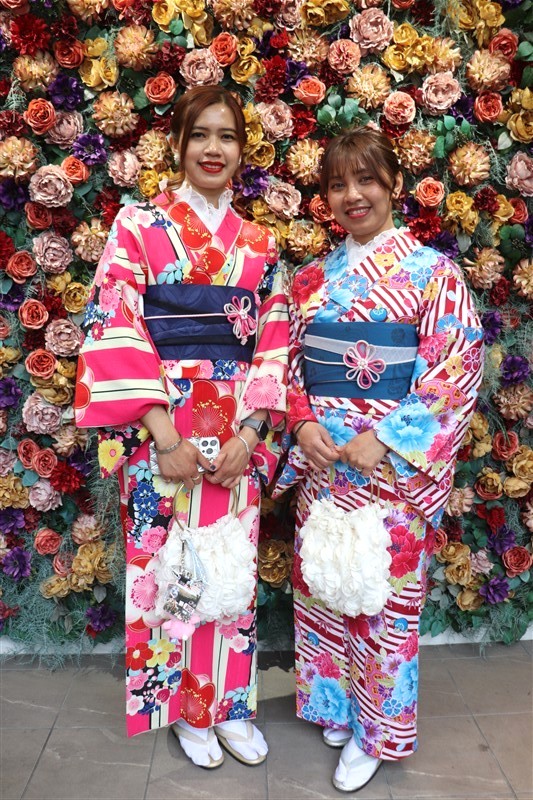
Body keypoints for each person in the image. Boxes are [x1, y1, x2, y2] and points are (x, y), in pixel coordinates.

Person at [74, 86, 289, 768]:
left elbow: (274, 342)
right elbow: (115, 322)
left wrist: (250, 435)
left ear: (242, 152)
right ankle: (185, 709)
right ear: (177, 144)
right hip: (159, 424)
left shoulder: (261, 245)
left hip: (235, 428)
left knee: (229, 564)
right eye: (200, 134)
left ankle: (229, 704)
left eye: (227, 136)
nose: (213, 149)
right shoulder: (137, 226)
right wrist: (162, 436)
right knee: (168, 565)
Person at [274, 127, 483, 792]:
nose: (352, 195)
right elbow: (286, 367)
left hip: (389, 469)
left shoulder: (432, 274)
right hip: (322, 462)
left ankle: (377, 732)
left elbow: (456, 370)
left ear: (394, 184)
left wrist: (387, 437)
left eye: (365, 179)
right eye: (337, 184)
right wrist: (302, 422)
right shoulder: (310, 279)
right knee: (322, 587)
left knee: (383, 602)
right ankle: (335, 707)